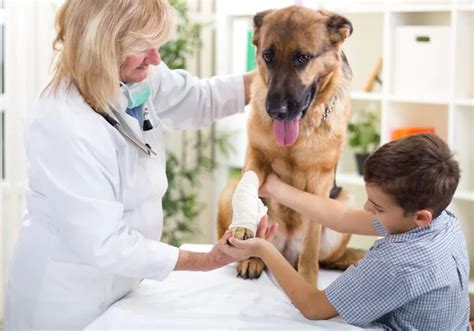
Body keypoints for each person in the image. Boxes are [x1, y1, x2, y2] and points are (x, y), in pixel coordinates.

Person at [4, 0, 279, 329]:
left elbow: (197, 99)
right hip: (67, 300)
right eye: (143, 47)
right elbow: (104, 242)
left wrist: (274, 78)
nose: (155, 58)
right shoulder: (62, 123)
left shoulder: (135, 72)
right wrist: (207, 260)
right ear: (101, 45)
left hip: (125, 286)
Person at [224, 133, 470, 330]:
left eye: (377, 207)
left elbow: (313, 307)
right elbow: (342, 217)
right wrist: (277, 189)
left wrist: (263, 250)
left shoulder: (397, 263)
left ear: (420, 217)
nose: (366, 208)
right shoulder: (442, 220)